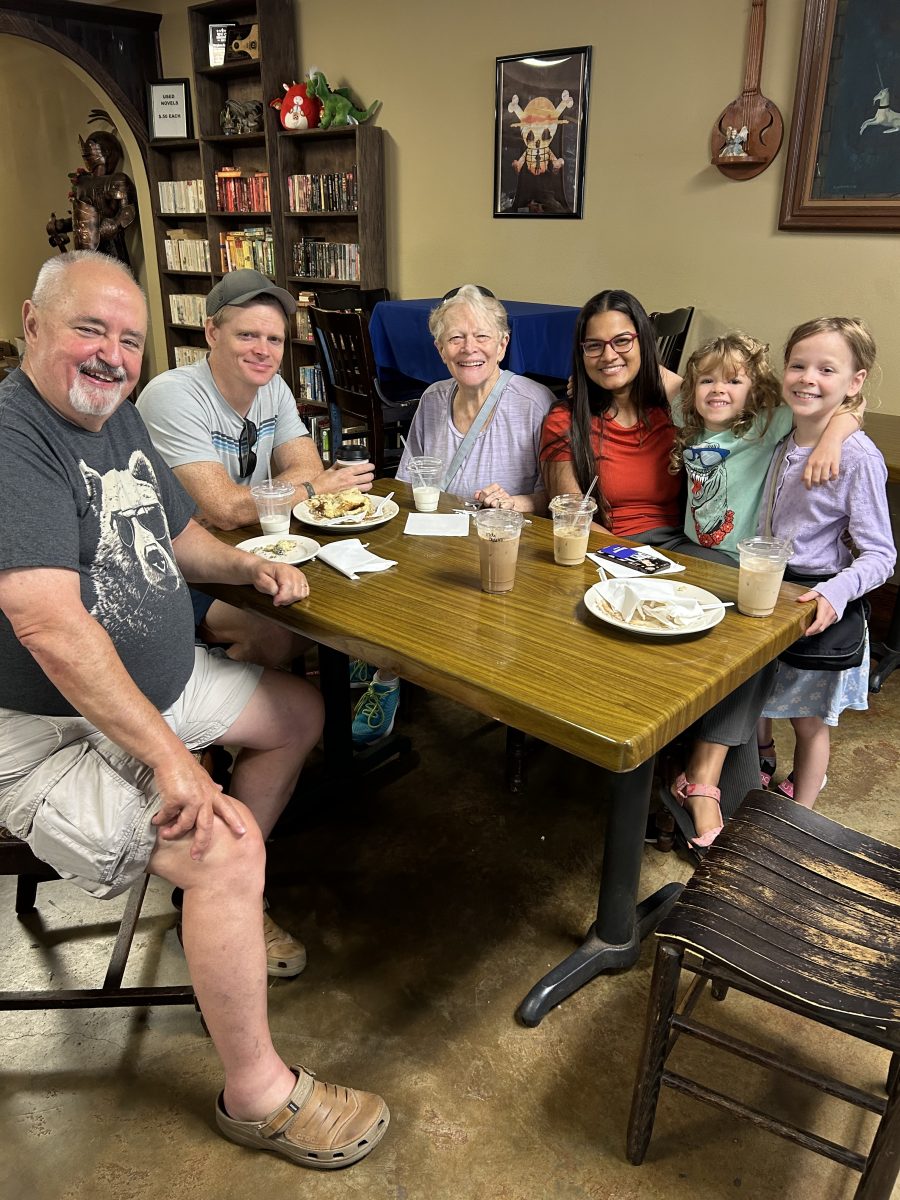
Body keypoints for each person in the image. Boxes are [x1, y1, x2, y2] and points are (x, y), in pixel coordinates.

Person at [0, 252, 389, 1168]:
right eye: (90, 330)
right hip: (43, 731)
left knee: (297, 715)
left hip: (155, 691)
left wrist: (248, 565)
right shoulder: (15, 438)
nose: (111, 355)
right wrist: (175, 763)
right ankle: (258, 1095)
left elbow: (181, 537)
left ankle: (221, 905)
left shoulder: (118, 417)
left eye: (128, 339)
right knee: (220, 845)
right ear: (33, 324)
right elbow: (47, 625)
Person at [662, 332, 865, 846]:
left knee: (749, 655)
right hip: (695, 556)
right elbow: (667, 378)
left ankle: (707, 778)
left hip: (745, 565)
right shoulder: (692, 421)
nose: (718, 390)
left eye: (734, 381)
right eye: (707, 381)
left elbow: (840, 407)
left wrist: (836, 436)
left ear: (755, 393)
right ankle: (731, 759)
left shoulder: (765, 424)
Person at [137, 268, 375, 668]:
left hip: (251, 548)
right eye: (247, 335)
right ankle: (195, 693)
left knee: (334, 602)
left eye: (274, 339)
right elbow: (226, 510)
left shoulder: (274, 388)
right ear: (212, 332)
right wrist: (314, 491)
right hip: (177, 572)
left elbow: (305, 465)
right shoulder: (172, 396)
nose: (263, 351)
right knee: (283, 627)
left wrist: (253, 502)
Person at [368, 286, 553, 749]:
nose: (469, 348)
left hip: (501, 550)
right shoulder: (432, 399)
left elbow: (557, 497)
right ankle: (385, 669)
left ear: (503, 344)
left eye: (482, 336)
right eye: (455, 339)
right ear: (439, 350)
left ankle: (388, 664)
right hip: (436, 540)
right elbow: (407, 480)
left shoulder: (534, 404)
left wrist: (516, 502)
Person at [757, 317, 895, 809]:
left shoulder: (857, 458)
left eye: (826, 369)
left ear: (855, 382)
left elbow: (881, 556)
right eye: (798, 365)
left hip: (816, 600)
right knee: (759, 696)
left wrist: (835, 594)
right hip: (766, 591)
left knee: (810, 721)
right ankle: (763, 759)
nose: (807, 378)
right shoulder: (779, 430)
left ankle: (802, 813)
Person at [539, 289, 683, 541]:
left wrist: (647, 368)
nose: (608, 355)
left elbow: (713, 401)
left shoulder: (672, 409)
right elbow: (572, 519)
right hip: (607, 549)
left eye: (622, 340)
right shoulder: (565, 421)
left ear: (644, 343)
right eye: (594, 345)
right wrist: (634, 560)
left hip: (677, 545)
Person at [46, 125, 136, 264]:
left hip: (110, 246)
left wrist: (115, 225)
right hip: (85, 252)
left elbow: (128, 210)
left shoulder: (117, 180)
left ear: (106, 152)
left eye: (89, 154)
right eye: (85, 155)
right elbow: (84, 219)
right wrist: (62, 225)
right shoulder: (83, 183)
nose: (87, 158)